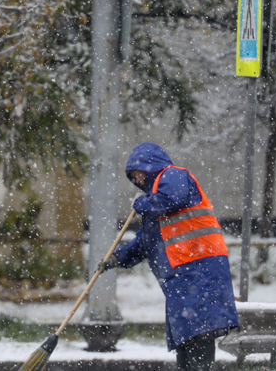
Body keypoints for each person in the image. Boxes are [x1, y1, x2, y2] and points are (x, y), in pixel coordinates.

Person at [99, 142, 238, 371]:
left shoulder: (173, 176)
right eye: (134, 177)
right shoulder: (154, 210)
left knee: (200, 337)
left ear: (150, 166)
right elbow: (143, 243)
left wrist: (141, 203)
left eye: (139, 173)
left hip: (199, 272)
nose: (138, 181)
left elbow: (170, 199)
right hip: (182, 281)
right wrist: (115, 258)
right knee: (187, 343)